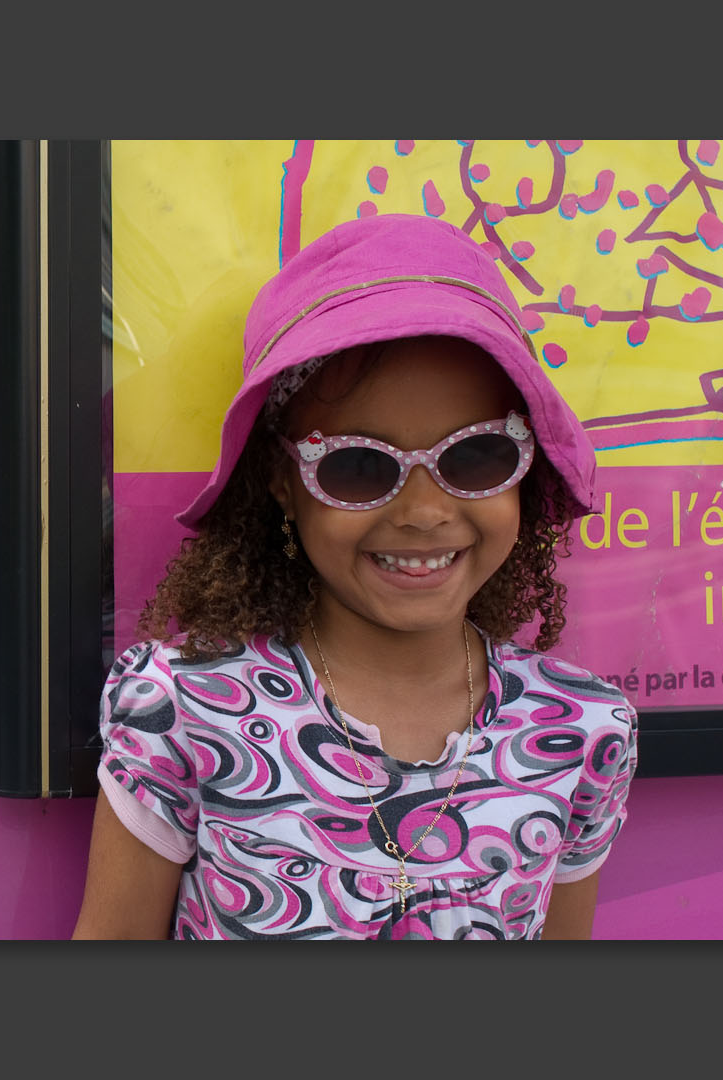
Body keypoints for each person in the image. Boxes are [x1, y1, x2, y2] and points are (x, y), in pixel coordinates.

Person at [73, 214, 638, 940]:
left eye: (477, 456)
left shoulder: (580, 731)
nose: (426, 512)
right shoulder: (184, 711)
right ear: (283, 481)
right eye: (359, 465)